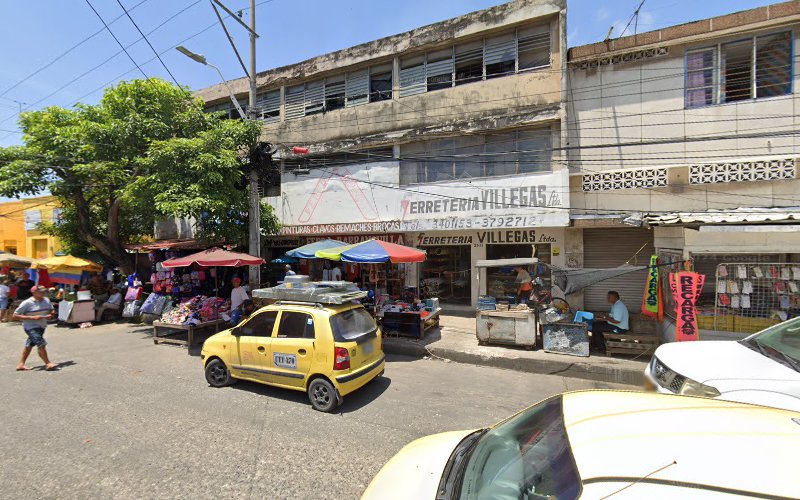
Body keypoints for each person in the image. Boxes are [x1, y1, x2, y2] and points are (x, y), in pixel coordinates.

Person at [13, 286, 57, 371]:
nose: (43, 293)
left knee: (29, 345)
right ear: (34, 292)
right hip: (31, 327)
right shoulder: (27, 303)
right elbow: (15, 316)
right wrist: (32, 318)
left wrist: (51, 314)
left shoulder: (46, 300)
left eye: (44, 291)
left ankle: (21, 364)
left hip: (41, 326)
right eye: (41, 292)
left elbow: (51, 310)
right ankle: (48, 363)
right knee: (41, 343)